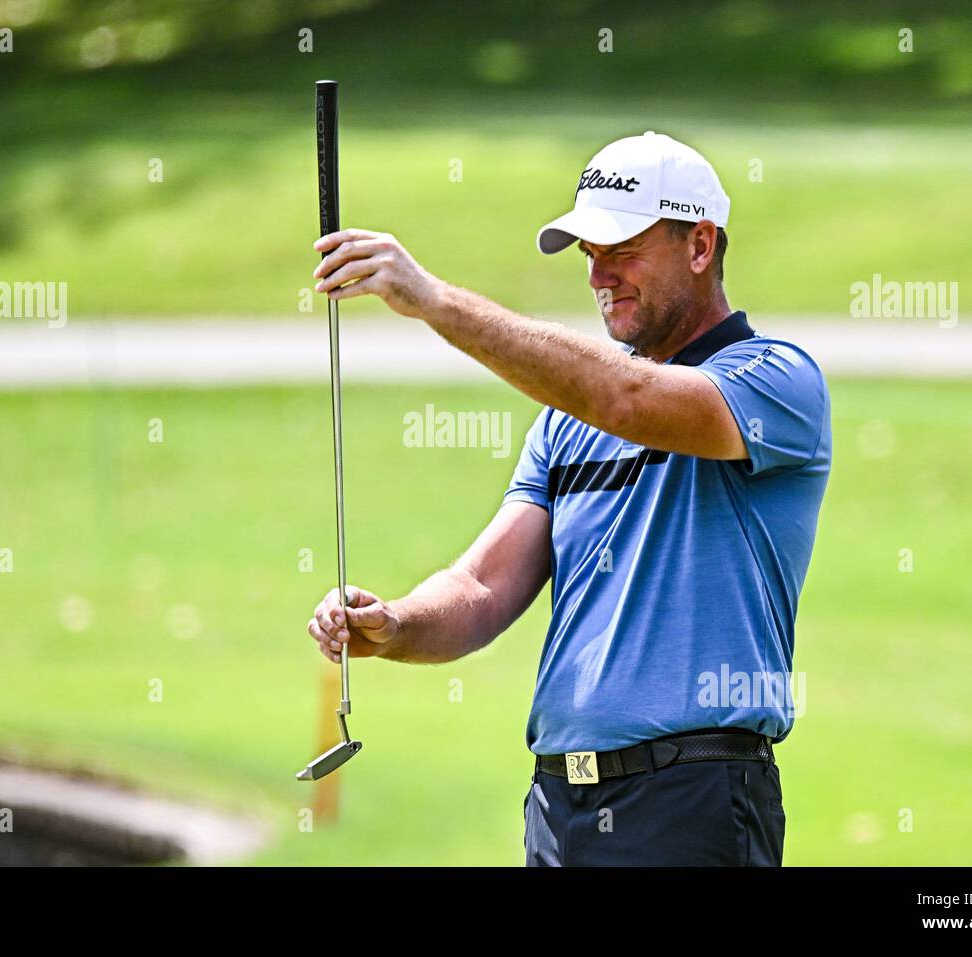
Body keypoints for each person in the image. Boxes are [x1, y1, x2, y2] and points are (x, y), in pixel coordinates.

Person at [305, 131, 832, 865]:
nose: (599, 276)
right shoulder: (566, 420)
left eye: (621, 250)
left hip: (694, 801)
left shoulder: (777, 380)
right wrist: (395, 624)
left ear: (701, 245)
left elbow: (628, 397)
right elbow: (482, 586)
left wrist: (433, 301)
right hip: (561, 810)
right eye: (589, 254)